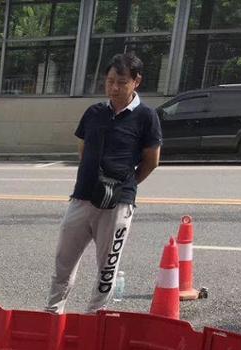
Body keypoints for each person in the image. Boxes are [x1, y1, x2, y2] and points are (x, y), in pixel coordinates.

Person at [45, 52, 161, 314]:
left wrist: (125, 185)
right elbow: (83, 149)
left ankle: (95, 320)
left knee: (106, 268)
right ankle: (52, 313)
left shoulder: (146, 116)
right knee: (63, 262)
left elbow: (151, 161)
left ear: (136, 82)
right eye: (110, 81)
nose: (114, 88)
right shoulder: (94, 112)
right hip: (82, 198)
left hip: (117, 205)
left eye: (121, 82)